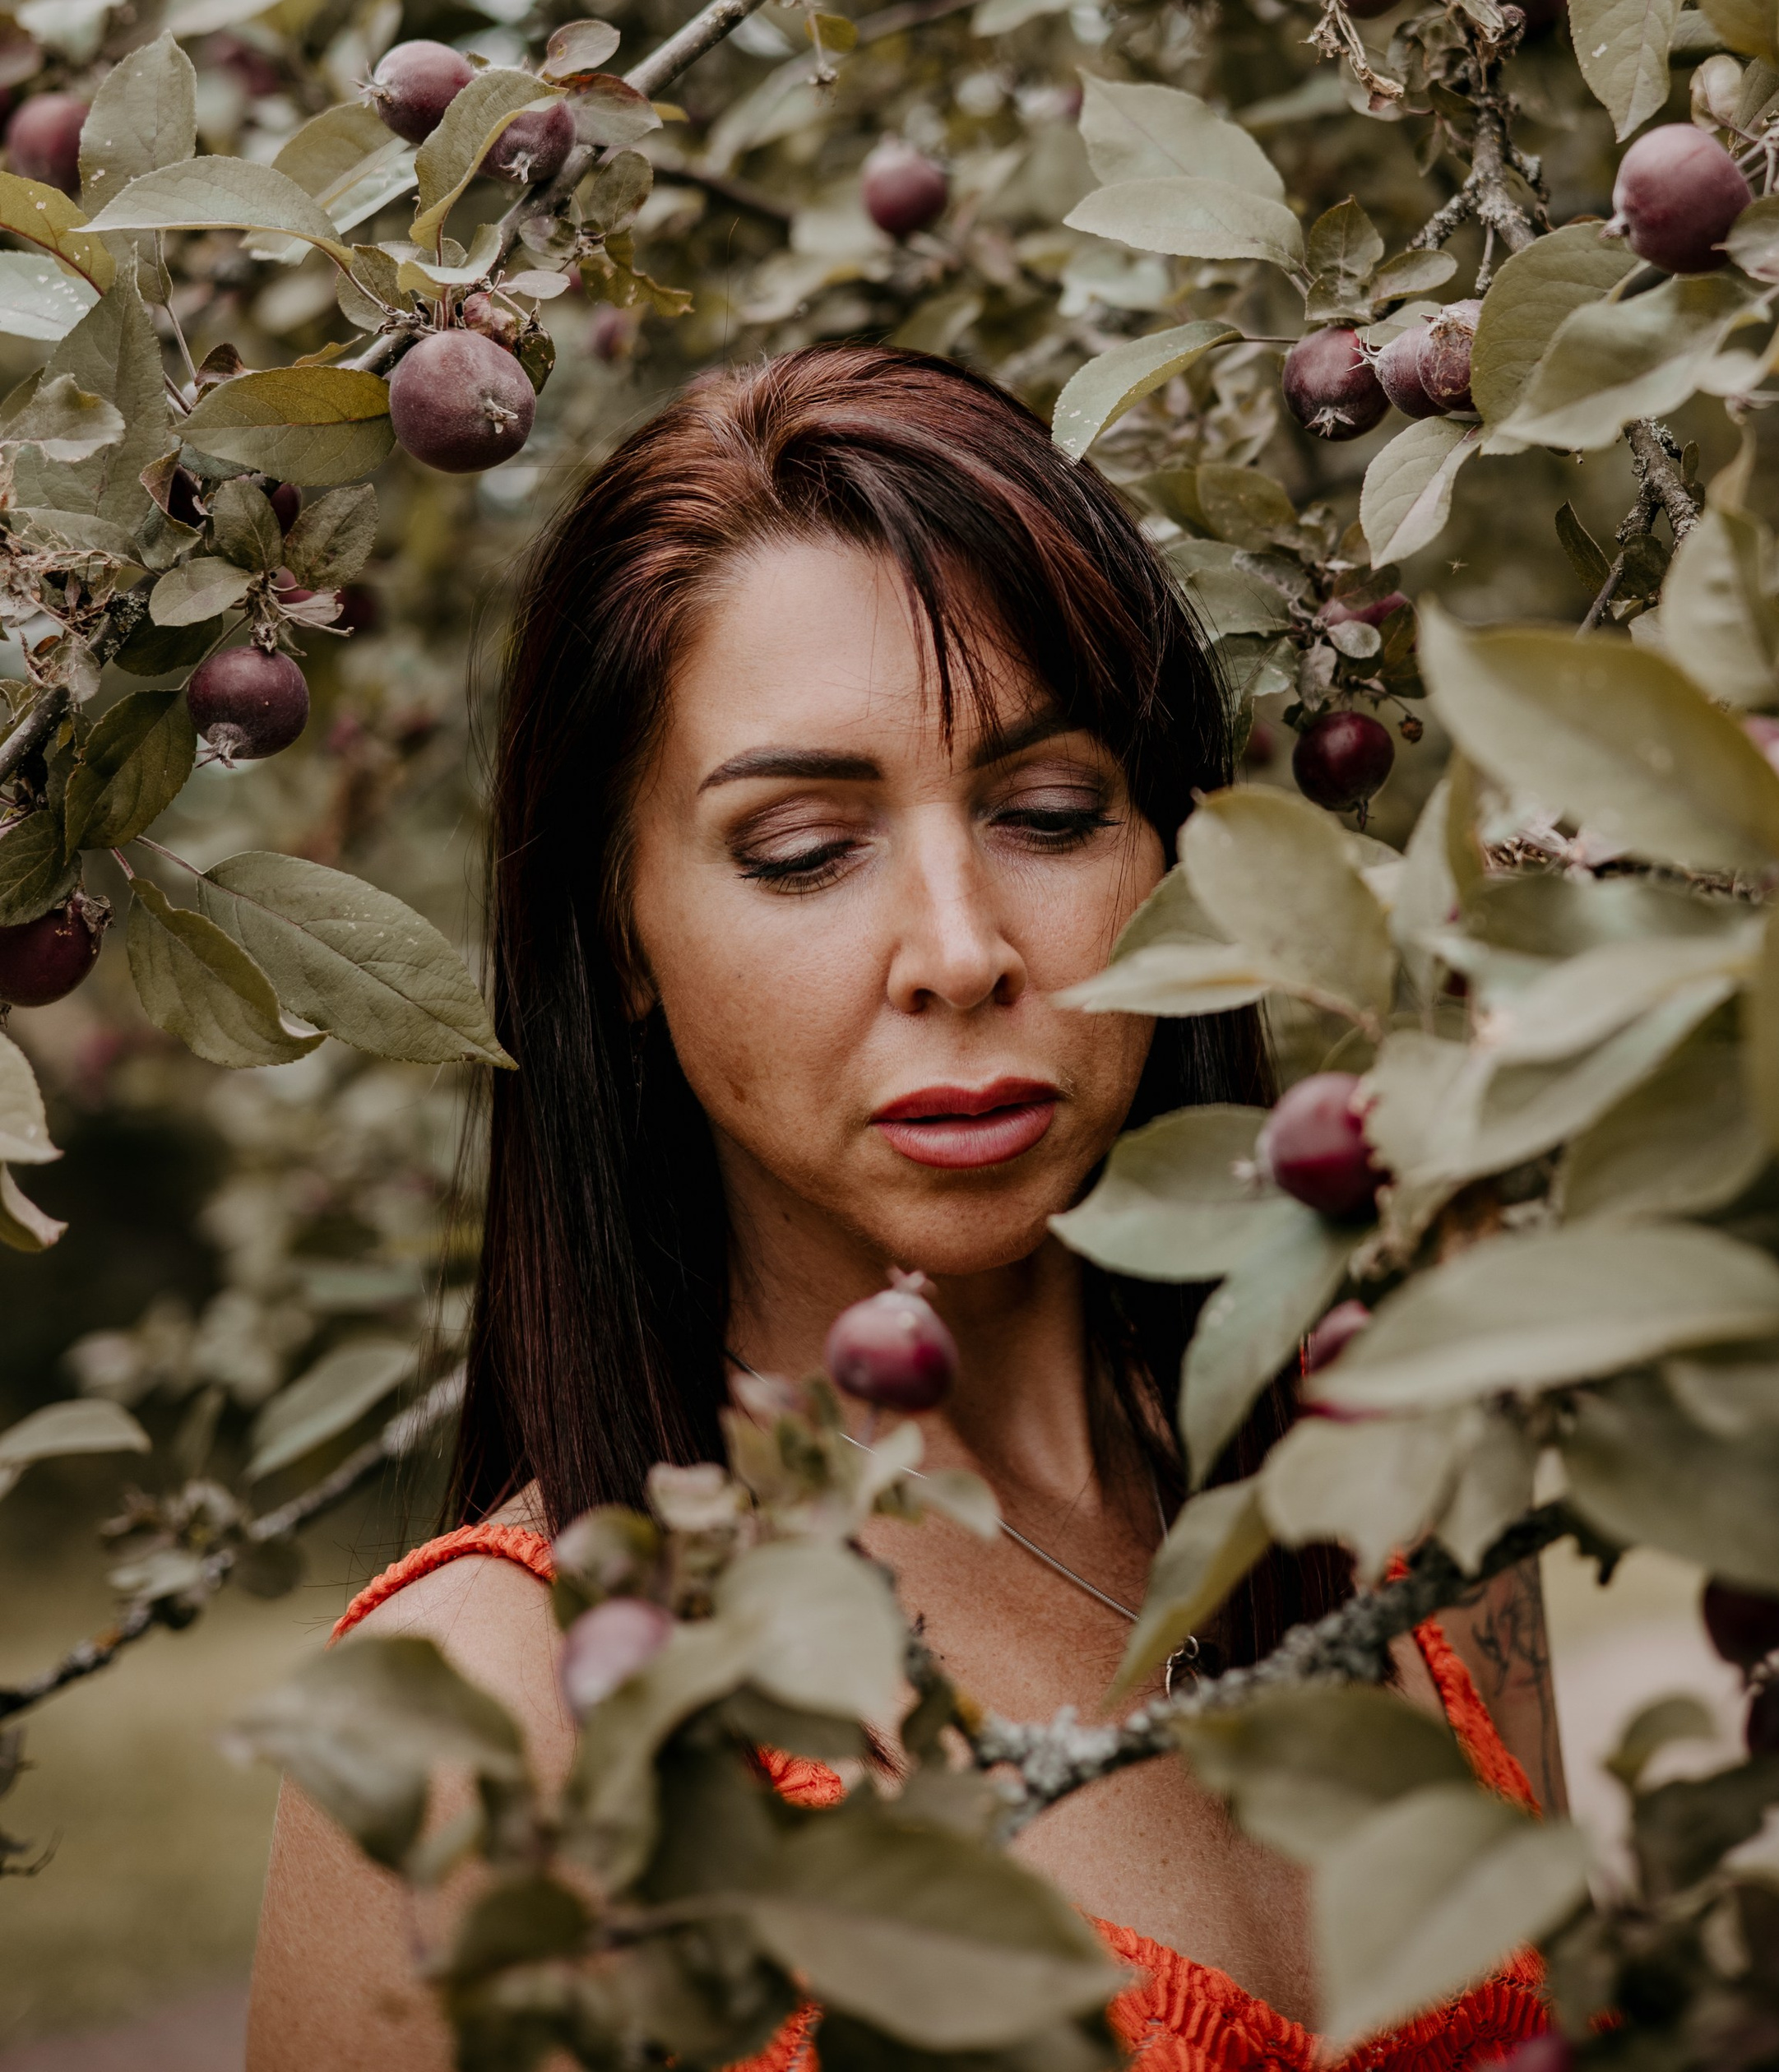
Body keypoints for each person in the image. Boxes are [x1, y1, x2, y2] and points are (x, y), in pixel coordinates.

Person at [248, 347, 1563, 2070]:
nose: (958, 950)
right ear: (622, 933)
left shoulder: (1412, 1506)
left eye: (1046, 812)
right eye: (800, 848)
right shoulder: (491, 1719)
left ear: (1172, 854)